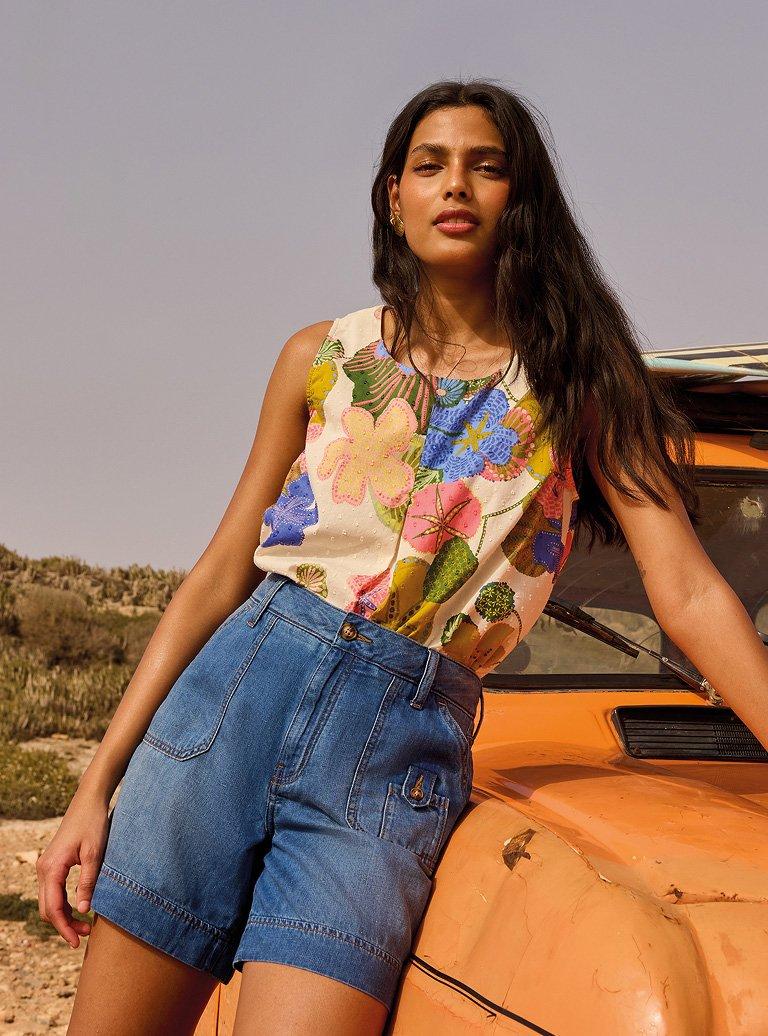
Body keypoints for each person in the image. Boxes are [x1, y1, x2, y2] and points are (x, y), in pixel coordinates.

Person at [39, 79, 768, 1036]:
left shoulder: (583, 385)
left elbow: (688, 591)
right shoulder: (321, 355)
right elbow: (220, 574)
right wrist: (97, 782)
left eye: (486, 166)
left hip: (392, 756)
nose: (454, 185)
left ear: (521, 198)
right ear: (395, 197)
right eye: (430, 166)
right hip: (233, 705)